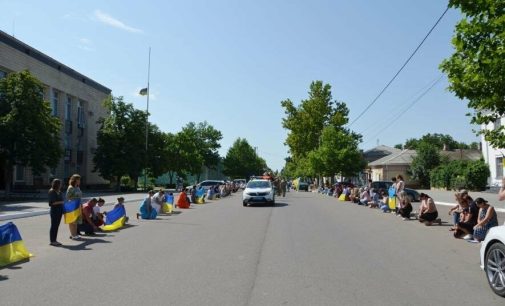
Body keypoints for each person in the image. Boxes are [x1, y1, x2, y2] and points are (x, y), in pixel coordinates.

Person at [66, 174, 83, 240]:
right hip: (72, 206)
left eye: (79, 179)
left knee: (76, 221)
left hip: (78, 205)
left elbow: (80, 197)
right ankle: (72, 235)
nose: (79, 181)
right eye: (78, 179)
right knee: (72, 221)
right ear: (74, 180)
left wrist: (80, 205)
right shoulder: (71, 187)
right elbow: (67, 197)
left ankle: (75, 234)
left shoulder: (77, 187)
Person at [48, 179, 64, 246]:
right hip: (54, 211)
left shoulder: (59, 192)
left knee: (56, 226)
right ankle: (52, 241)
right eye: (60, 184)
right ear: (56, 184)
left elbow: (62, 200)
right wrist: (61, 202)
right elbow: (51, 203)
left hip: (59, 211)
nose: (61, 185)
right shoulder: (52, 191)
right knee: (54, 226)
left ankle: (55, 240)